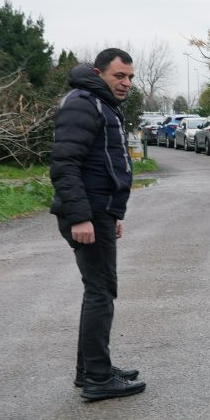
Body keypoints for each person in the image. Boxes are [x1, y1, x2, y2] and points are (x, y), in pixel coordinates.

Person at [50, 48, 146, 401]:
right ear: (98, 72)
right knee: (100, 293)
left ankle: (91, 370)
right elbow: (65, 164)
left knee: (98, 291)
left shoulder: (100, 104)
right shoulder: (83, 103)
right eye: (119, 76)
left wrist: (112, 215)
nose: (126, 83)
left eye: (130, 77)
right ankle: (98, 379)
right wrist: (81, 217)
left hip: (99, 213)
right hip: (86, 214)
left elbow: (105, 164)